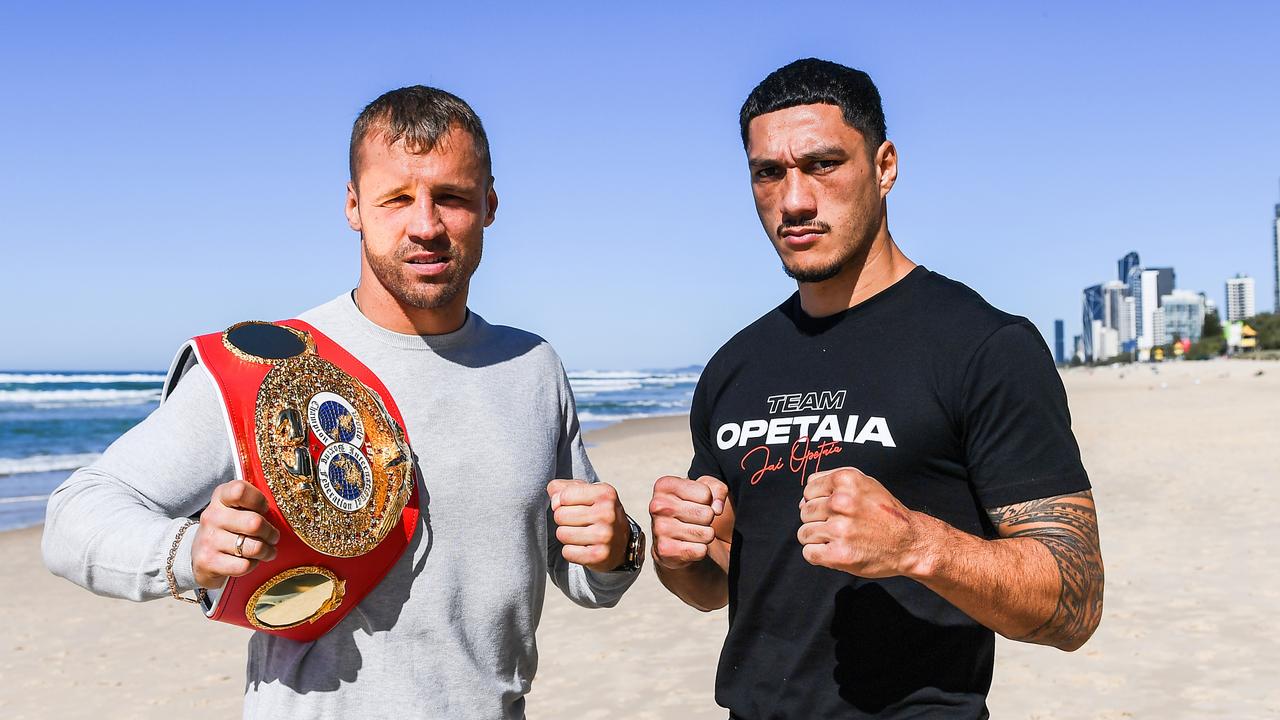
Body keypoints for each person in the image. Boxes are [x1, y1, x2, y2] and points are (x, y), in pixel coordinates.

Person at [42, 85, 644, 719]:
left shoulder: (531, 366)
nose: (425, 225)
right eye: (395, 199)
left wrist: (616, 547)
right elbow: (73, 516)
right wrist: (187, 553)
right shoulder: (270, 367)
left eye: (452, 197)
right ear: (354, 206)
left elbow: (586, 574)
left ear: (490, 205)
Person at [648, 58, 1104, 718]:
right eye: (768, 173)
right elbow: (713, 587)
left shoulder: (983, 347)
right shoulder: (735, 367)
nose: (794, 200)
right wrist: (680, 551)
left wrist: (919, 545)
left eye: (823, 164)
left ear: (885, 166)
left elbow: (1075, 602)